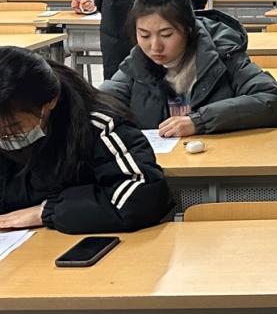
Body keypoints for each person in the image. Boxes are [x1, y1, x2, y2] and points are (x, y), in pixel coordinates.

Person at [0, 46, 174, 234]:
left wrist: (47, 211)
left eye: (14, 127)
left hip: (83, 237)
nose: (4, 138)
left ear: (50, 101)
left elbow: (142, 197)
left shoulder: (99, 125)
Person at [101, 0, 277, 137]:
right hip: (161, 164)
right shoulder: (136, 65)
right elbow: (99, 103)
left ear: (189, 30)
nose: (155, 46)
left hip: (219, 161)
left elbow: (270, 99)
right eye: (144, 35)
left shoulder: (223, 55)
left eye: (166, 35)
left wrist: (199, 121)